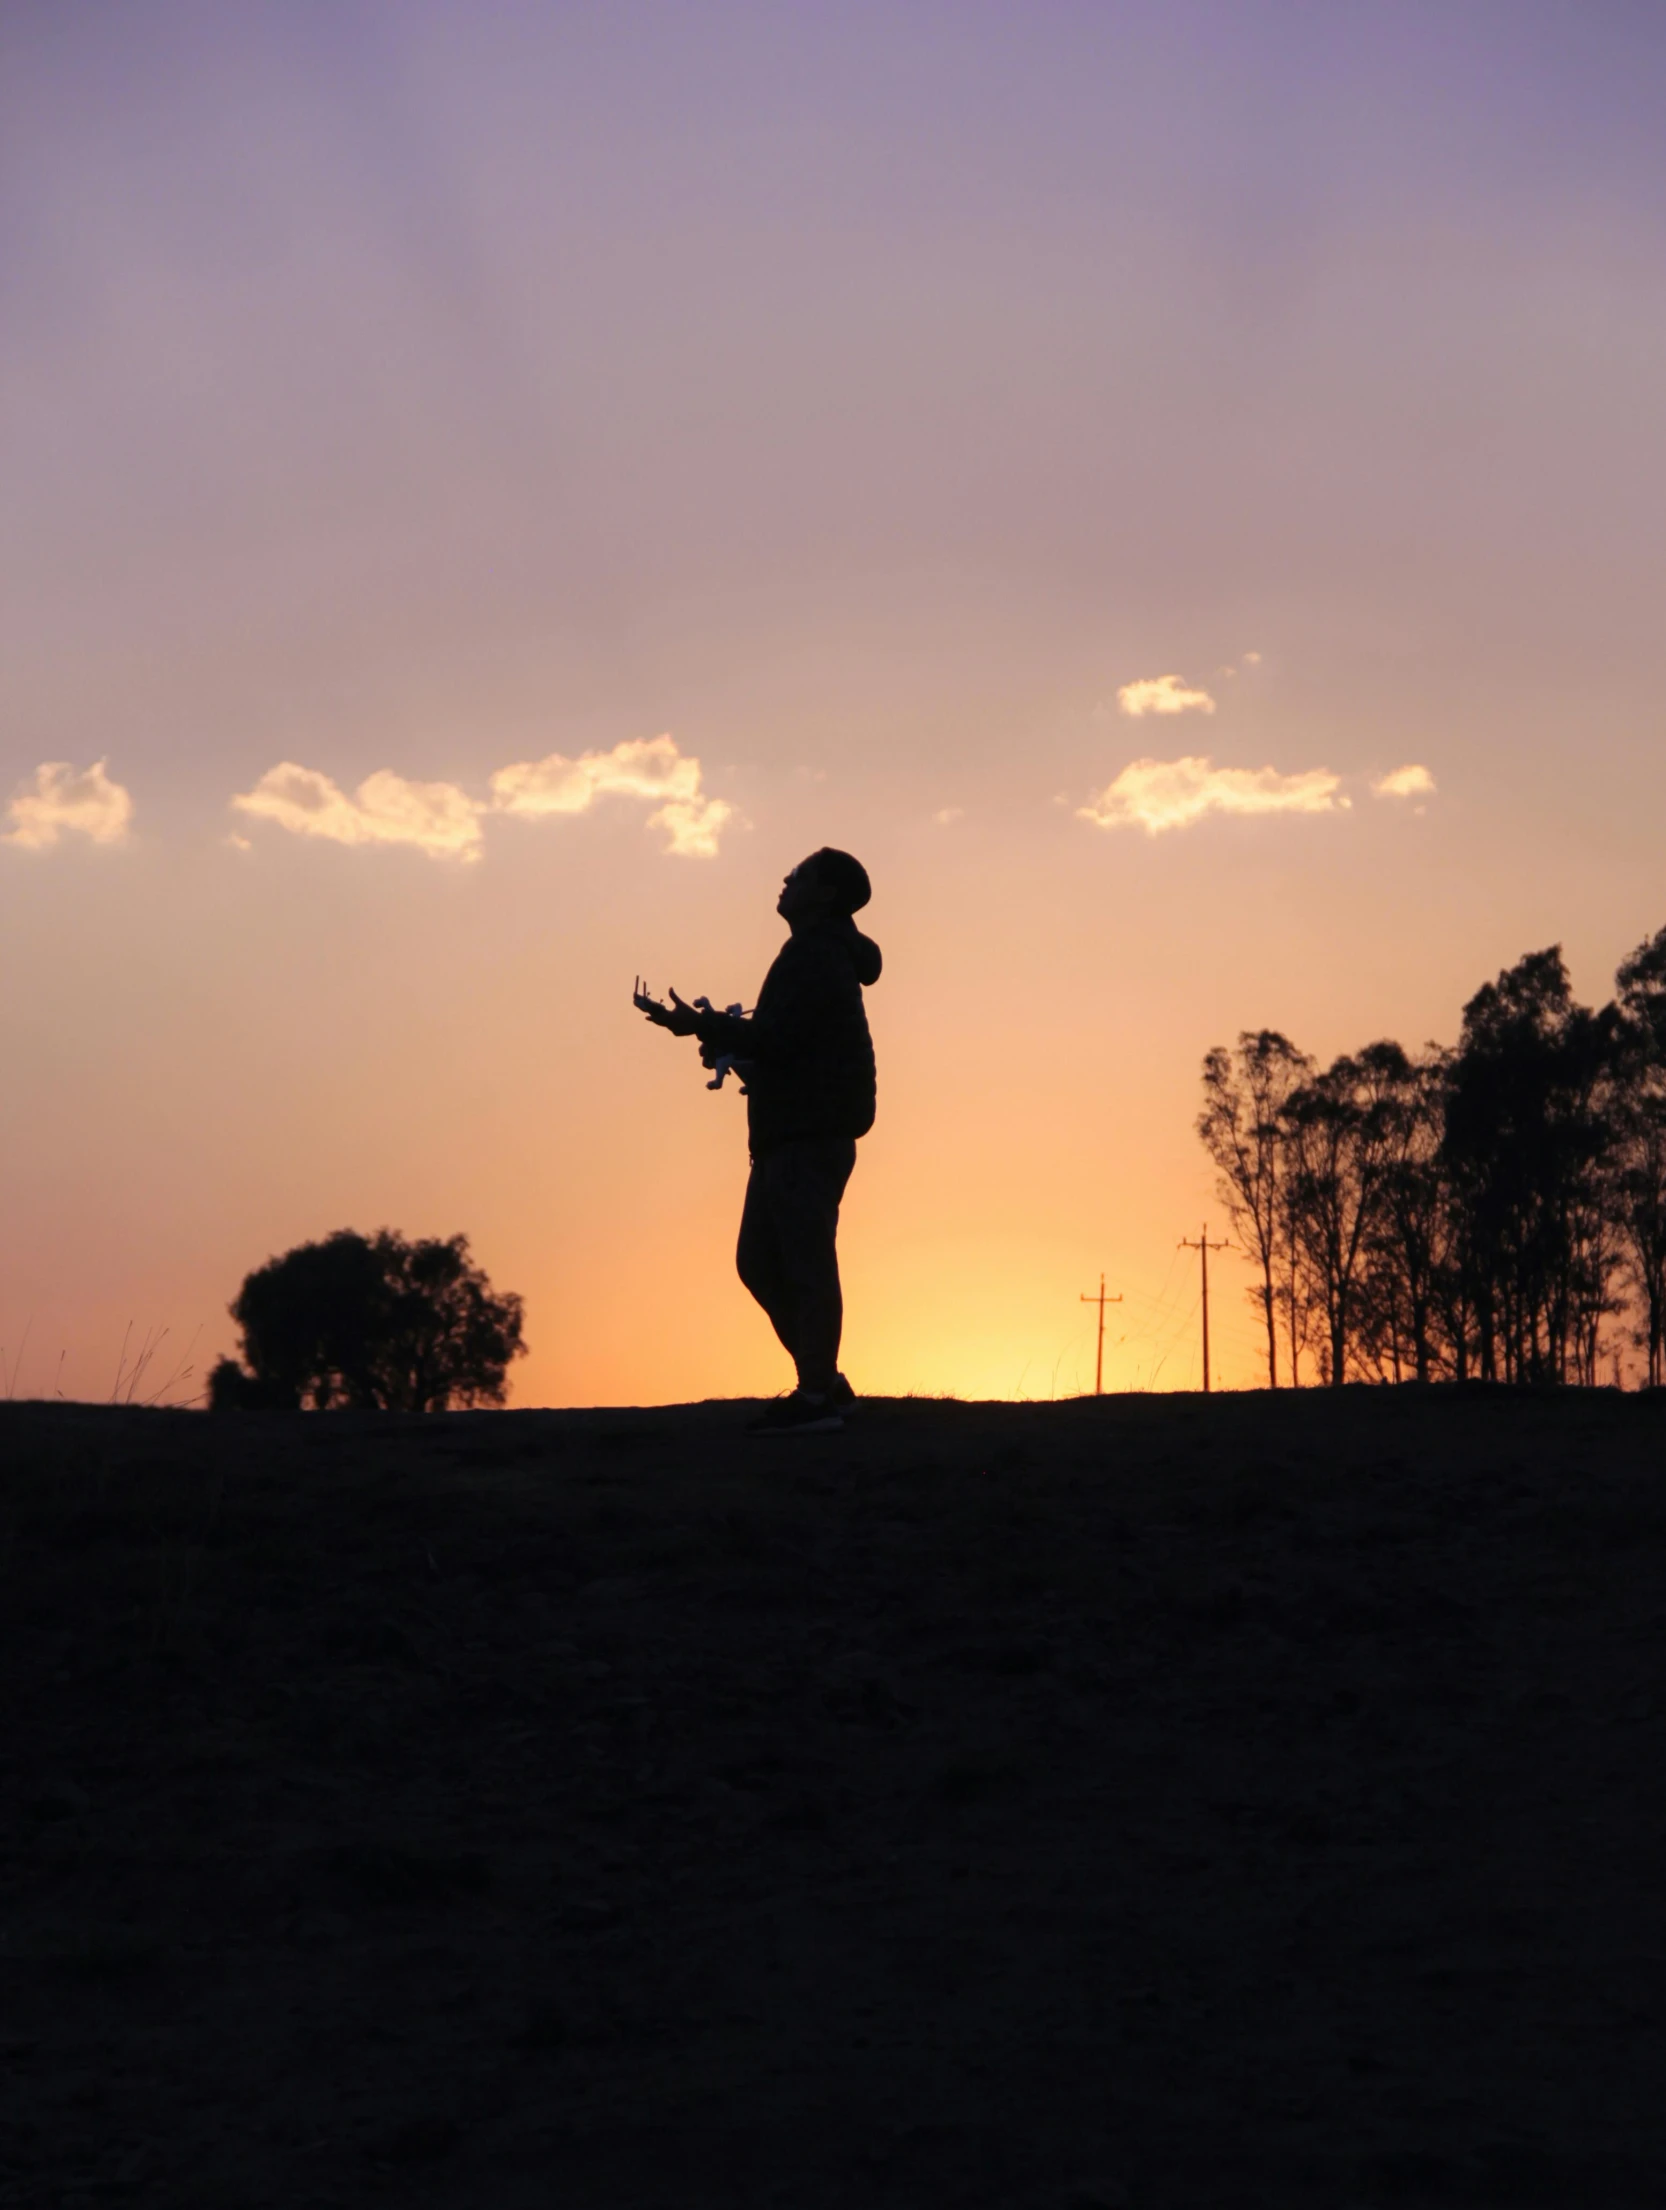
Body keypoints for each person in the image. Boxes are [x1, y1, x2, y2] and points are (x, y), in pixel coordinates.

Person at [634, 849, 881, 1433]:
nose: (785, 879)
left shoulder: (816, 954)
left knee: (803, 1261)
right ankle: (827, 1385)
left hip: (807, 1131)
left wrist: (705, 1025)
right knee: (762, 1262)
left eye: (798, 874)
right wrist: (728, 1040)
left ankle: (817, 1397)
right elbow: (790, 1044)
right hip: (789, 1129)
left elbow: (780, 1039)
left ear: (823, 894)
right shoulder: (817, 953)